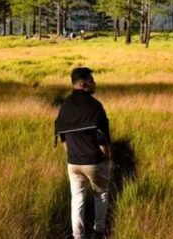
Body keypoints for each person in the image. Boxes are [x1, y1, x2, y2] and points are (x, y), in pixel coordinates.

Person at [54, 67, 111, 239]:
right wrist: (106, 157)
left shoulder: (65, 106)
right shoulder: (95, 106)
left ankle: (78, 235)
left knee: (77, 199)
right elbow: (102, 138)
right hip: (93, 161)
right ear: (84, 84)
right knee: (101, 194)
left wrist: (71, 155)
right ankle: (98, 231)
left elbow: (62, 135)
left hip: (73, 162)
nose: (95, 83)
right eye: (92, 80)